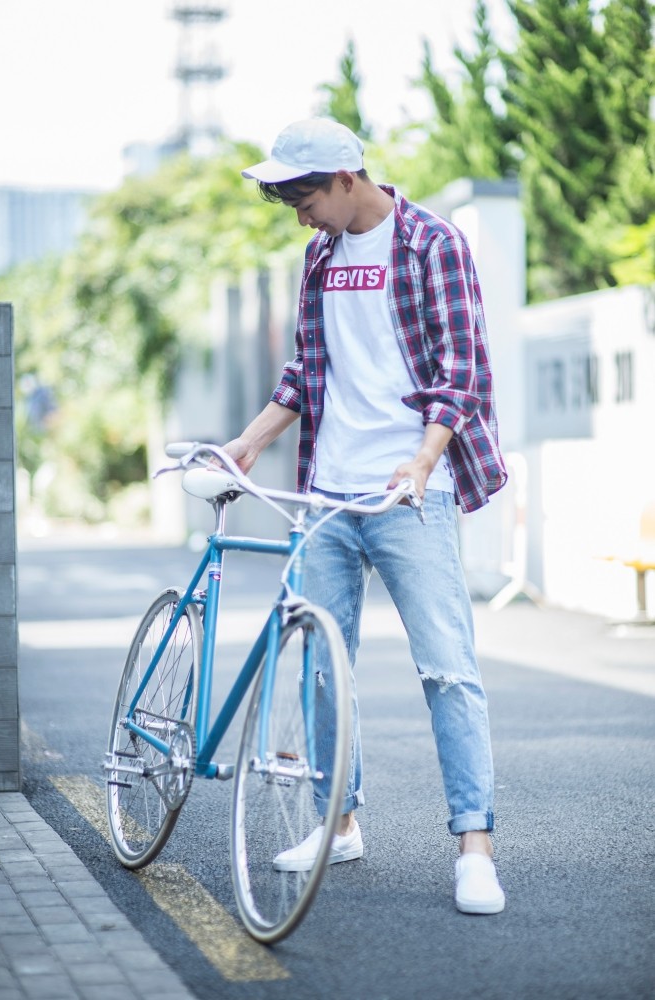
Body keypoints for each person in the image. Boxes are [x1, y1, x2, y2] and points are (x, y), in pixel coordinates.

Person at [223, 118, 508, 915]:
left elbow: (462, 371)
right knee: (322, 666)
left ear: (348, 179)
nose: (300, 215)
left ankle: (475, 846)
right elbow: (305, 370)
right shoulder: (319, 256)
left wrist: (423, 460)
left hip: (409, 493)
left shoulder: (433, 244)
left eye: (306, 198)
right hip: (327, 492)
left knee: (447, 668)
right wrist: (248, 442)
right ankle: (338, 824)